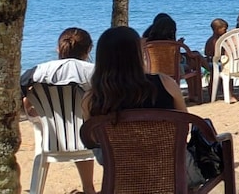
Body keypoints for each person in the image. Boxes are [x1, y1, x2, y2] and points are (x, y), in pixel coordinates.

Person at [84, 26, 207, 187]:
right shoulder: (165, 83)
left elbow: (93, 141)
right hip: (174, 175)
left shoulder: (91, 99)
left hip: (123, 179)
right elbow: (184, 126)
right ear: (137, 54)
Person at [21, 28, 96, 194]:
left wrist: (32, 111)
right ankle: (89, 188)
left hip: (51, 140)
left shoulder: (37, 71)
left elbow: (20, 93)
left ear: (58, 48)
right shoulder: (95, 72)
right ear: (89, 49)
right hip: (90, 141)